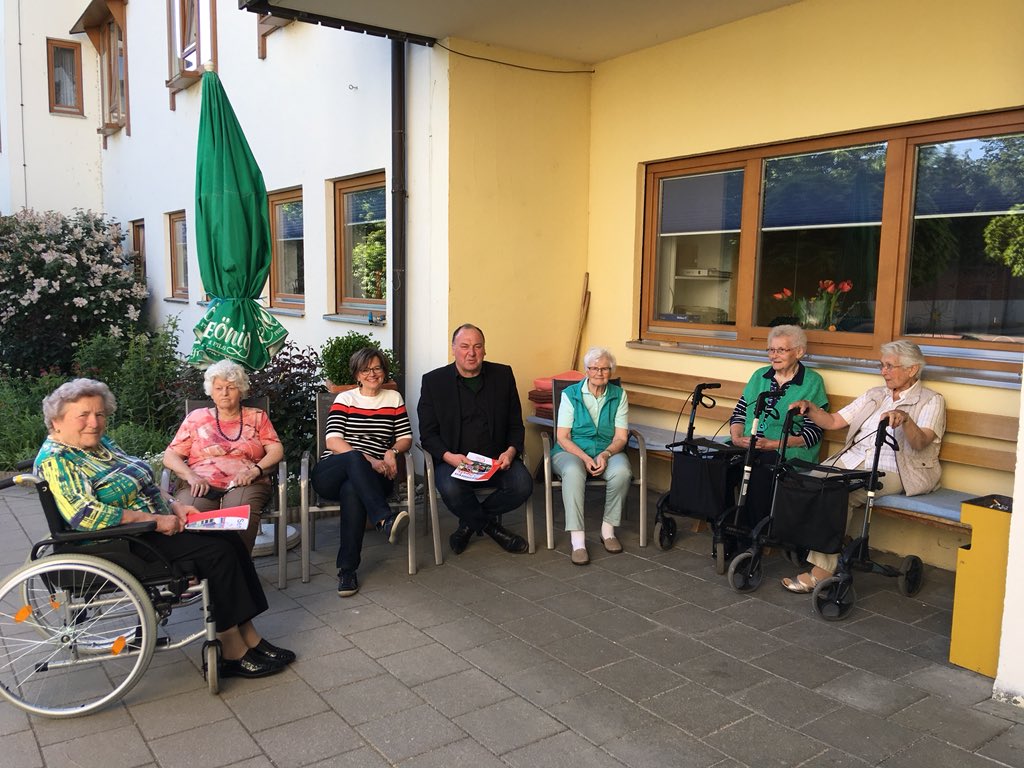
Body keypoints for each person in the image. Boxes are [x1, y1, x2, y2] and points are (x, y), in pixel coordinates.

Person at [34, 378, 294, 679]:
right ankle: (231, 650)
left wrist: (174, 505)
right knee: (218, 552)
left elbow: (144, 483)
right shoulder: (58, 458)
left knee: (229, 538)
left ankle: (250, 636)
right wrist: (158, 520)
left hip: (148, 529)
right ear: (57, 421)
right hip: (122, 543)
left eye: (100, 414)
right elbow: (85, 514)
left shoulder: (99, 444)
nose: (95, 422)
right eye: (84, 415)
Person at [785, 340, 945, 592]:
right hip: (852, 460)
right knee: (805, 481)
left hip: (894, 470)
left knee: (837, 494)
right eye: (882, 366)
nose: (884, 371)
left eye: (890, 366)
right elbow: (835, 420)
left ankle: (823, 571)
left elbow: (921, 443)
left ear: (912, 369)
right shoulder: (875, 395)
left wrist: (906, 420)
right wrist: (811, 409)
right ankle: (828, 542)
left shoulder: (930, 400)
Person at [418, 324, 533, 555]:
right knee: (451, 490)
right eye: (464, 346)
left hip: (496, 460)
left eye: (477, 346)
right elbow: (428, 434)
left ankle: (468, 526)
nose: (471, 353)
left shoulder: (503, 375)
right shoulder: (434, 382)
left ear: (484, 350)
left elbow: (515, 424)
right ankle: (494, 529)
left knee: (523, 485)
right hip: (455, 461)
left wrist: (510, 452)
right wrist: (449, 457)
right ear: (453, 349)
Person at [311, 348, 413, 598]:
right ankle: (384, 518)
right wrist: (369, 460)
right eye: (366, 369)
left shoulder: (393, 399)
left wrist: (392, 452)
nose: (372, 374)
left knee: (352, 490)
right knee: (354, 457)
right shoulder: (345, 399)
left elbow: (406, 438)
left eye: (377, 368)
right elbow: (333, 442)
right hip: (332, 472)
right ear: (357, 374)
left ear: (384, 372)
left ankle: (347, 570)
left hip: (371, 478)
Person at [163, 359, 284, 555]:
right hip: (200, 482)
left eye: (231, 387)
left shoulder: (257, 416)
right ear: (211, 391)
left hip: (246, 482)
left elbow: (276, 449)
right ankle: (197, 575)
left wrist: (256, 470)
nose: (225, 393)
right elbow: (170, 456)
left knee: (237, 517)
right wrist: (190, 475)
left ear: (242, 390)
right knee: (188, 514)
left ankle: (238, 571)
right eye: (219, 388)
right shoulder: (196, 418)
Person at [550, 347, 632, 565]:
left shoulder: (619, 395)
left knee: (622, 472)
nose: (599, 372)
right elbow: (562, 437)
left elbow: (621, 438)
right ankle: (577, 541)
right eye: (594, 368)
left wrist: (605, 454)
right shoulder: (570, 394)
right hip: (571, 450)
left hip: (607, 449)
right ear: (586, 370)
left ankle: (608, 530)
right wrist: (586, 458)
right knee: (573, 472)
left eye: (604, 368)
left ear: (611, 371)